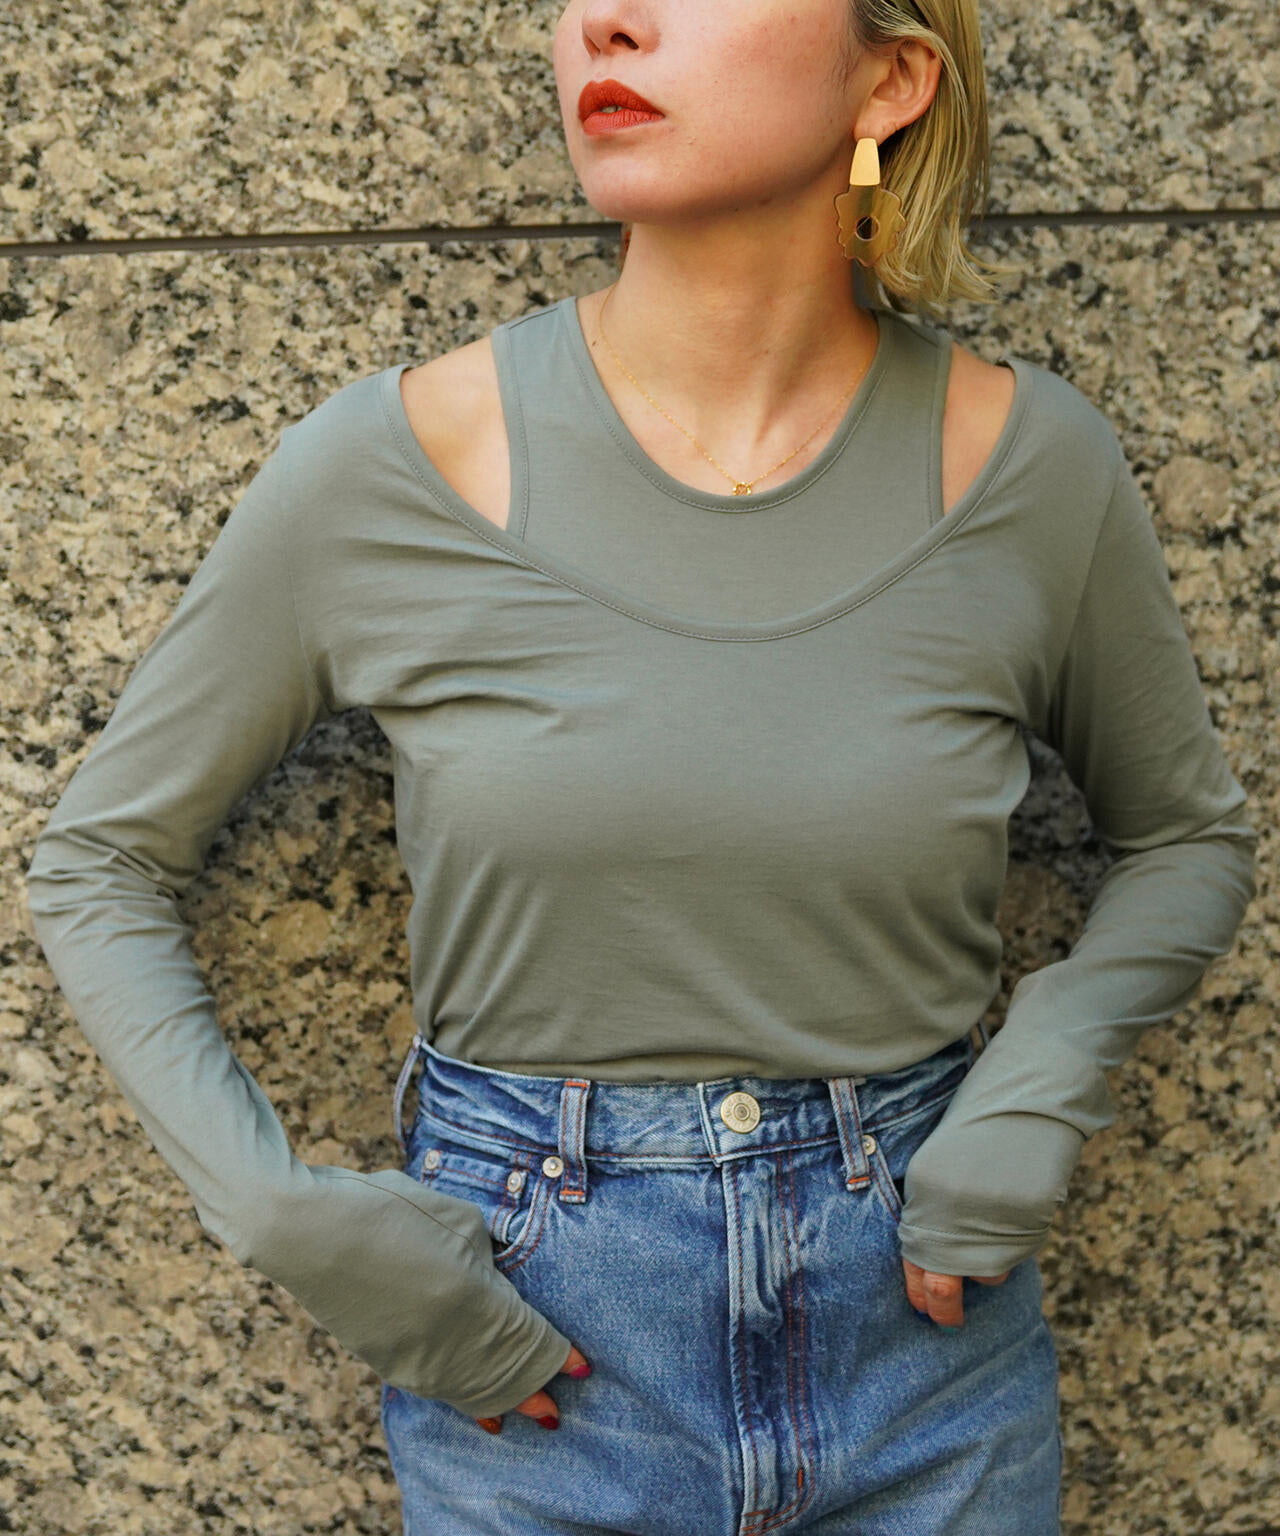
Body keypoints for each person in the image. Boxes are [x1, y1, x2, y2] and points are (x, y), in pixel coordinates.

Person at [24, 0, 1258, 1531]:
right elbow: (99, 859)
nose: (606, 21)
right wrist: (285, 1215)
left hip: (929, 1356)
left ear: (891, 77)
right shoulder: (393, 464)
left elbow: (1188, 840)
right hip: (537, 1362)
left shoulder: (1033, 466)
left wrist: (1040, 1082)